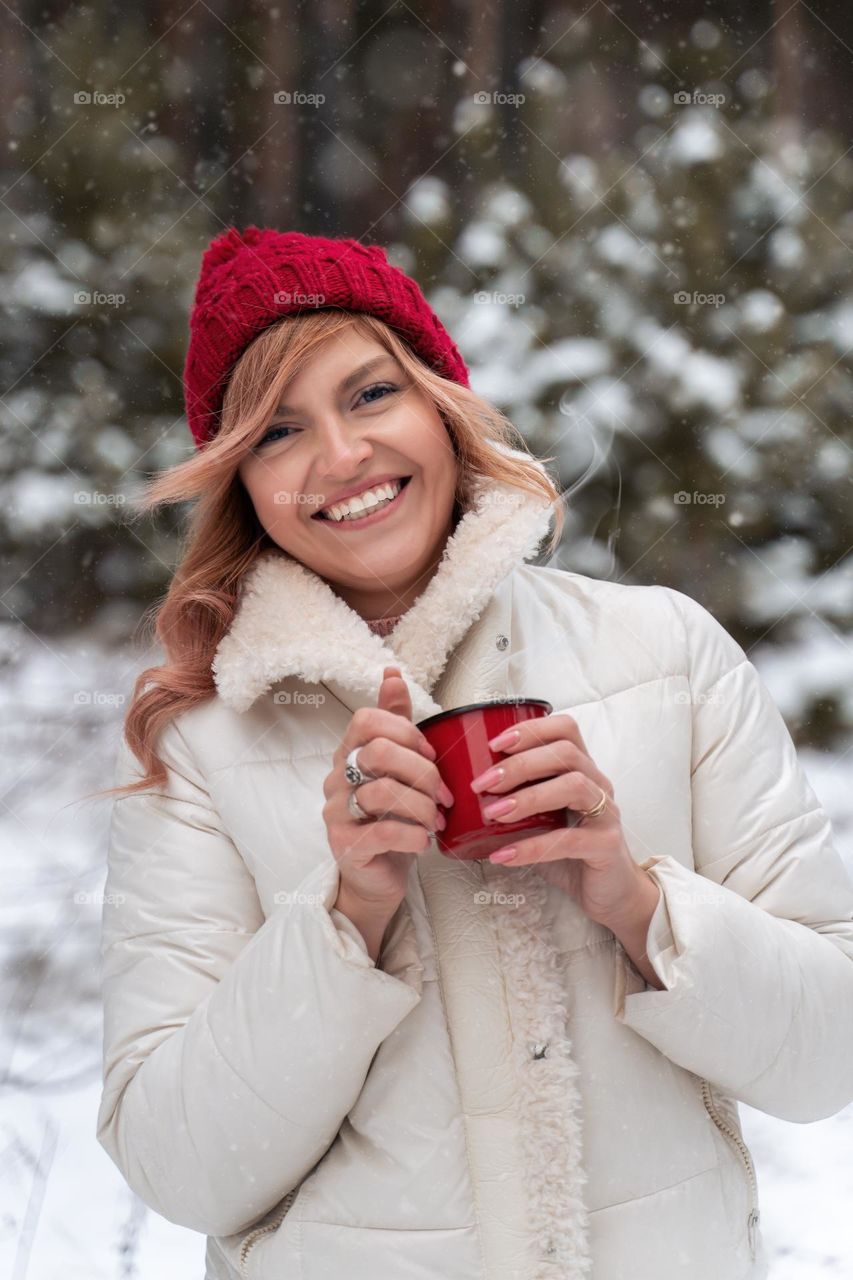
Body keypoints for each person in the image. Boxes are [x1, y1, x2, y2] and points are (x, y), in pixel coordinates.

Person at [94, 227, 853, 1280]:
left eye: (369, 394)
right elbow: (181, 1168)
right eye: (276, 430)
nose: (343, 456)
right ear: (242, 484)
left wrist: (634, 902)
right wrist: (346, 914)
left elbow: (828, 1057)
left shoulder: (666, 653)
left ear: (441, 402)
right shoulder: (206, 747)